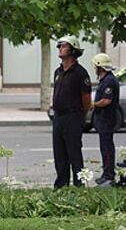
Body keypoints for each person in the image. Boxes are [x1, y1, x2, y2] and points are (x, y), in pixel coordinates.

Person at [52, 36, 91, 188]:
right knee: (59, 153)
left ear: (72, 50)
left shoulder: (80, 73)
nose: (60, 48)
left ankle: (78, 185)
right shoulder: (58, 71)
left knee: (74, 153)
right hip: (59, 117)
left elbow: (86, 99)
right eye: (59, 46)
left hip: (73, 116)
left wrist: (79, 116)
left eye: (63, 46)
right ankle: (61, 186)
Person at [91, 53, 119, 187]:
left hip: (107, 119)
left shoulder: (109, 81)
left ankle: (109, 176)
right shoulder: (105, 79)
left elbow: (107, 100)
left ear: (99, 67)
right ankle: (105, 174)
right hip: (103, 119)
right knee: (104, 147)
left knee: (107, 148)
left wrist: (93, 104)